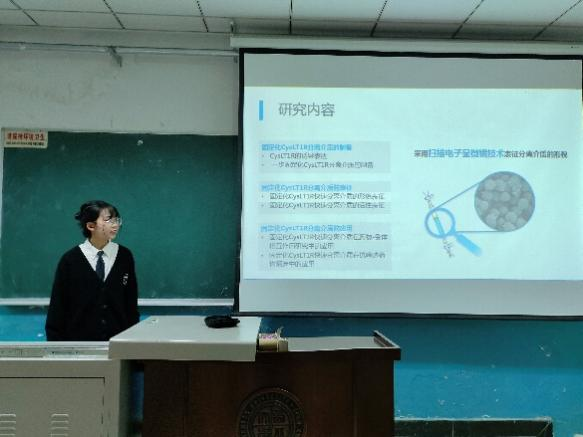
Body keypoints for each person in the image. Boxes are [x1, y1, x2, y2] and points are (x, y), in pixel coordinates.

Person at [45, 200, 139, 341]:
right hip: (78, 343)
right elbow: (58, 307)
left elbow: (130, 303)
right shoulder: (70, 260)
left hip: (118, 341)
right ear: (91, 226)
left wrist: (132, 340)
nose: (115, 225)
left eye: (116, 220)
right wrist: (56, 345)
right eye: (108, 220)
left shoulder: (125, 256)